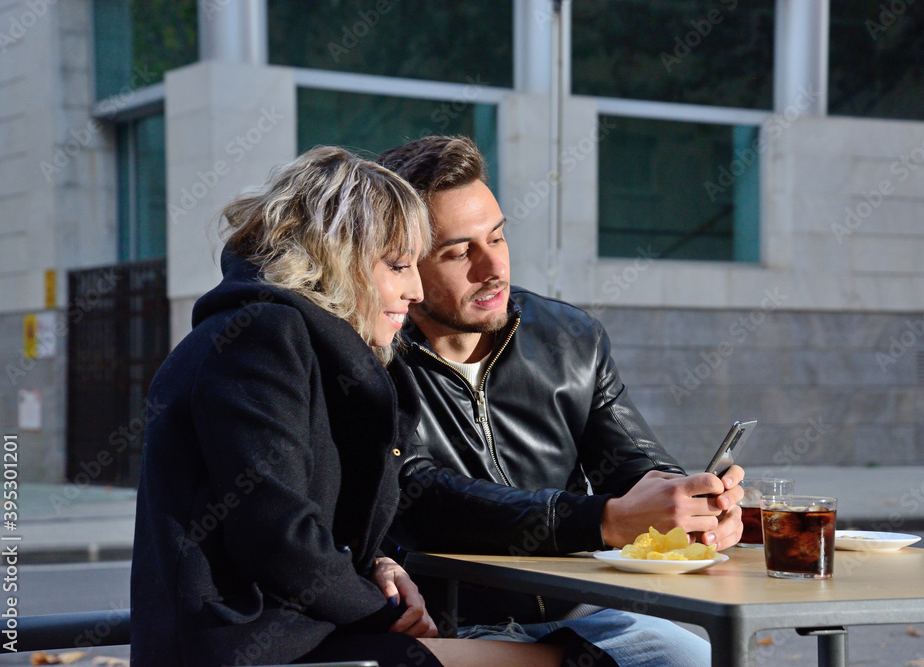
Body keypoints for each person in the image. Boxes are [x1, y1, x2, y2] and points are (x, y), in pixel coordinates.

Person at [130, 146, 584, 666]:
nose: (415, 291)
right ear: (334, 257)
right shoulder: (261, 335)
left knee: (577, 654)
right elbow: (275, 534)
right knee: (575, 661)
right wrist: (379, 610)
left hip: (307, 638)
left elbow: (319, 522)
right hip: (258, 649)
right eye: (398, 266)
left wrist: (378, 566)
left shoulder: (311, 347)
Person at [377, 136, 746, 667]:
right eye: (459, 252)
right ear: (404, 266)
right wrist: (604, 521)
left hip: (588, 617)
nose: (492, 268)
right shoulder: (374, 354)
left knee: (697, 658)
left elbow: (633, 467)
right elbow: (424, 499)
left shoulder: (569, 337)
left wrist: (691, 505)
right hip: (452, 625)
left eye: (498, 238)